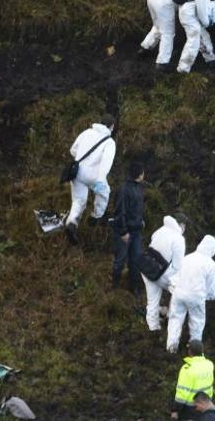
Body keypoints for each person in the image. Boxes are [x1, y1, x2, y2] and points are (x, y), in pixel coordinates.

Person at [64, 115, 117, 244]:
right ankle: (96, 216)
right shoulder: (109, 142)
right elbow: (106, 163)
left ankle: (72, 222)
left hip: (77, 172)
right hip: (94, 176)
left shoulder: (87, 132)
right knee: (104, 193)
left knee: (78, 200)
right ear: (112, 126)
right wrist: (100, 179)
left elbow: (73, 150)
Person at [166, 235, 215, 352]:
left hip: (179, 293)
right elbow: (208, 284)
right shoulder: (210, 263)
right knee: (197, 322)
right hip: (196, 296)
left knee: (175, 319)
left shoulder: (187, 257)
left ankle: (171, 347)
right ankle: (194, 349)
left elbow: (177, 275)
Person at [144, 213, 188, 332]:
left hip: (147, 268)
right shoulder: (179, 239)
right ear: (181, 225)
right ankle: (171, 317)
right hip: (161, 273)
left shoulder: (160, 230)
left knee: (152, 300)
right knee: (180, 291)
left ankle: (153, 327)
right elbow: (177, 266)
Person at [111, 161, 147, 294]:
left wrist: (141, 222)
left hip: (136, 231)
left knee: (135, 260)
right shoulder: (124, 189)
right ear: (139, 174)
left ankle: (134, 287)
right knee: (120, 260)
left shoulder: (139, 188)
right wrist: (123, 231)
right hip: (124, 232)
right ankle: (114, 287)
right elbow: (120, 211)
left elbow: (137, 209)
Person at [172, 339, 215, 420]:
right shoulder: (209, 364)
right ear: (202, 351)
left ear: (190, 352)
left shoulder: (187, 369)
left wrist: (175, 410)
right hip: (206, 405)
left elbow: (182, 393)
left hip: (190, 409)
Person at [140, 0, 179, 68]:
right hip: (164, 3)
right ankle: (162, 62)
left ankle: (145, 47)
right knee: (168, 33)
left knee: (158, 26)